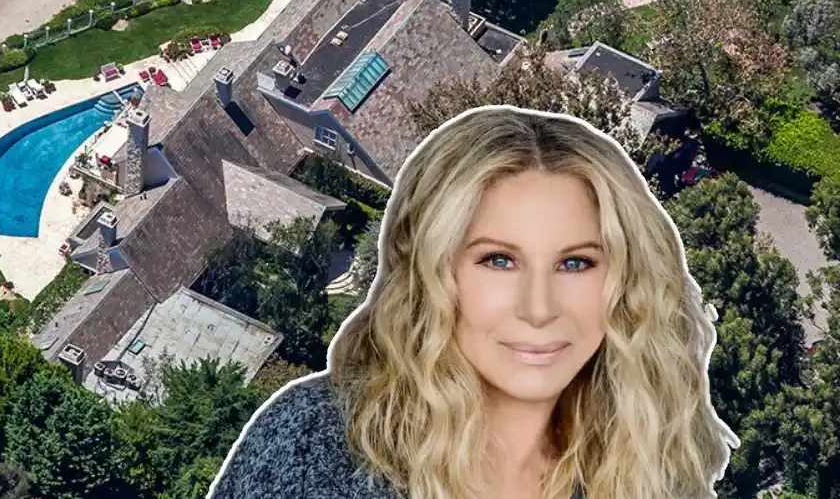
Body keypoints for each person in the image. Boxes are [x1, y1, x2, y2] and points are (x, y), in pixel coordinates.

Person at [208, 106, 737, 499]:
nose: (538, 308)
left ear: (626, 284)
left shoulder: (643, 466)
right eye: (498, 261)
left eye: (575, 263)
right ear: (432, 275)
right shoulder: (315, 454)